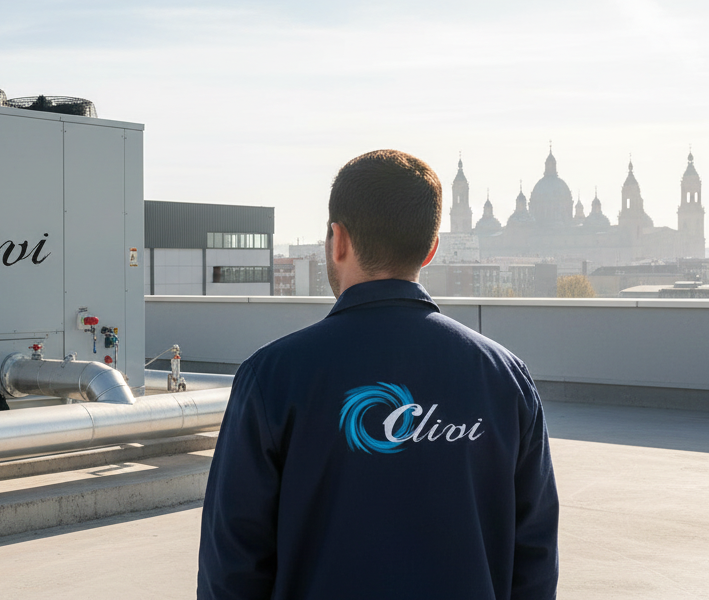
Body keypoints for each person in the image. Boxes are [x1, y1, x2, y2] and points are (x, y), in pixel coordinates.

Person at [197, 150, 558, 600]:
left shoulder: (272, 378)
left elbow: (232, 566)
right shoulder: (505, 380)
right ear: (431, 249)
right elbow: (535, 561)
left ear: (338, 240)